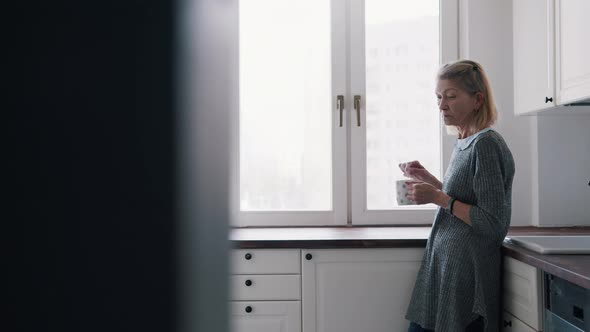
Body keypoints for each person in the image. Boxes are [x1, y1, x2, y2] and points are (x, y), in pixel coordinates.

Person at [401, 59, 515, 332]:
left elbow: (491, 222)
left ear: (477, 100)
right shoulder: (465, 141)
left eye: (451, 96)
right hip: (445, 269)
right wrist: (430, 181)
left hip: (465, 276)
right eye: (439, 97)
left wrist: (437, 198)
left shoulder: (486, 144)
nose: (441, 105)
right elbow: (467, 198)